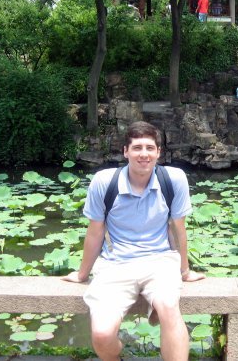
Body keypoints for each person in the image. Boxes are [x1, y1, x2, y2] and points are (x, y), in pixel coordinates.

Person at [62, 121, 205, 361]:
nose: (144, 154)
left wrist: (185, 270)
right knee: (101, 334)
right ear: (125, 151)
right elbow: (95, 232)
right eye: (137, 148)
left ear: (159, 152)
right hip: (116, 263)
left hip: (160, 261)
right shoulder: (104, 182)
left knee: (169, 308)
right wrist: (82, 273)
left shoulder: (174, 179)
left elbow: (178, 229)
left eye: (150, 148)